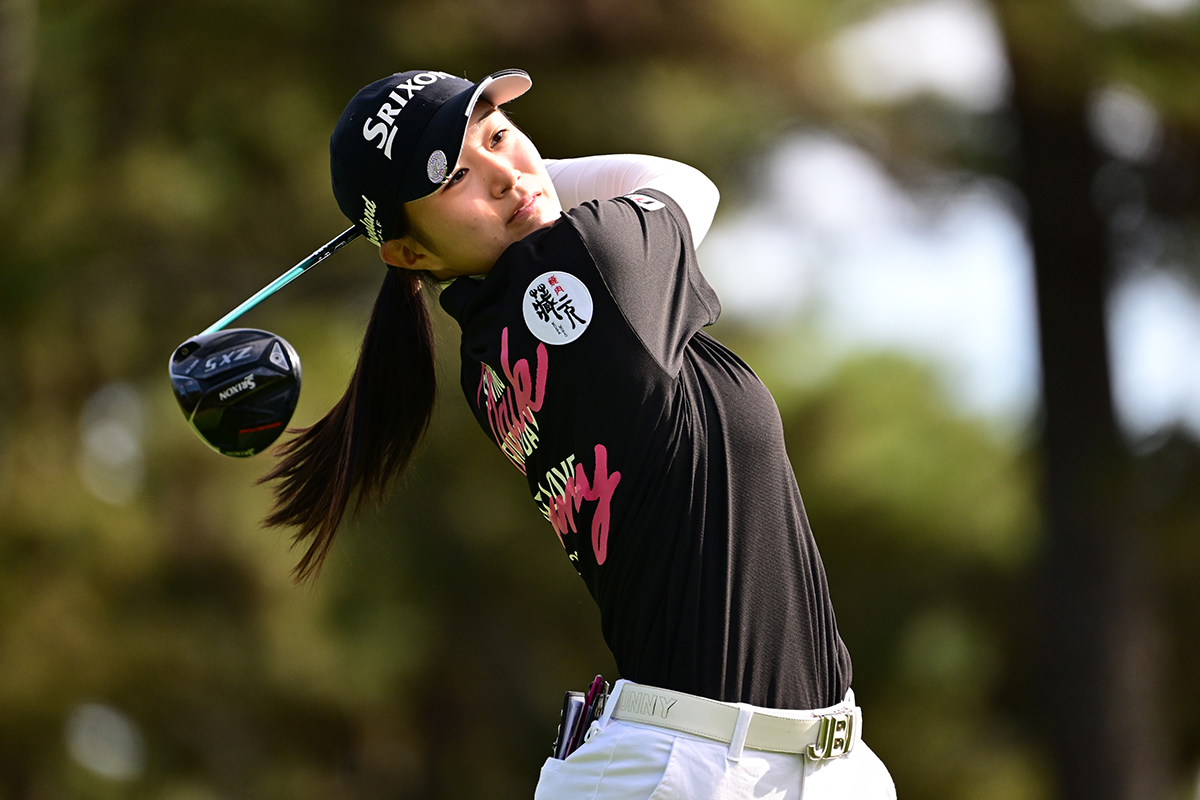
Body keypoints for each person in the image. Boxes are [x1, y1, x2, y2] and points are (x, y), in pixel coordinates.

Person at [262, 68, 897, 799]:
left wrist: (494, 183)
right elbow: (681, 182)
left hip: (774, 764)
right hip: (701, 769)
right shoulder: (579, 274)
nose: (503, 175)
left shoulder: (487, 351)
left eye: (499, 135)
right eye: (456, 177)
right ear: (408, 255)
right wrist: (542, 175)